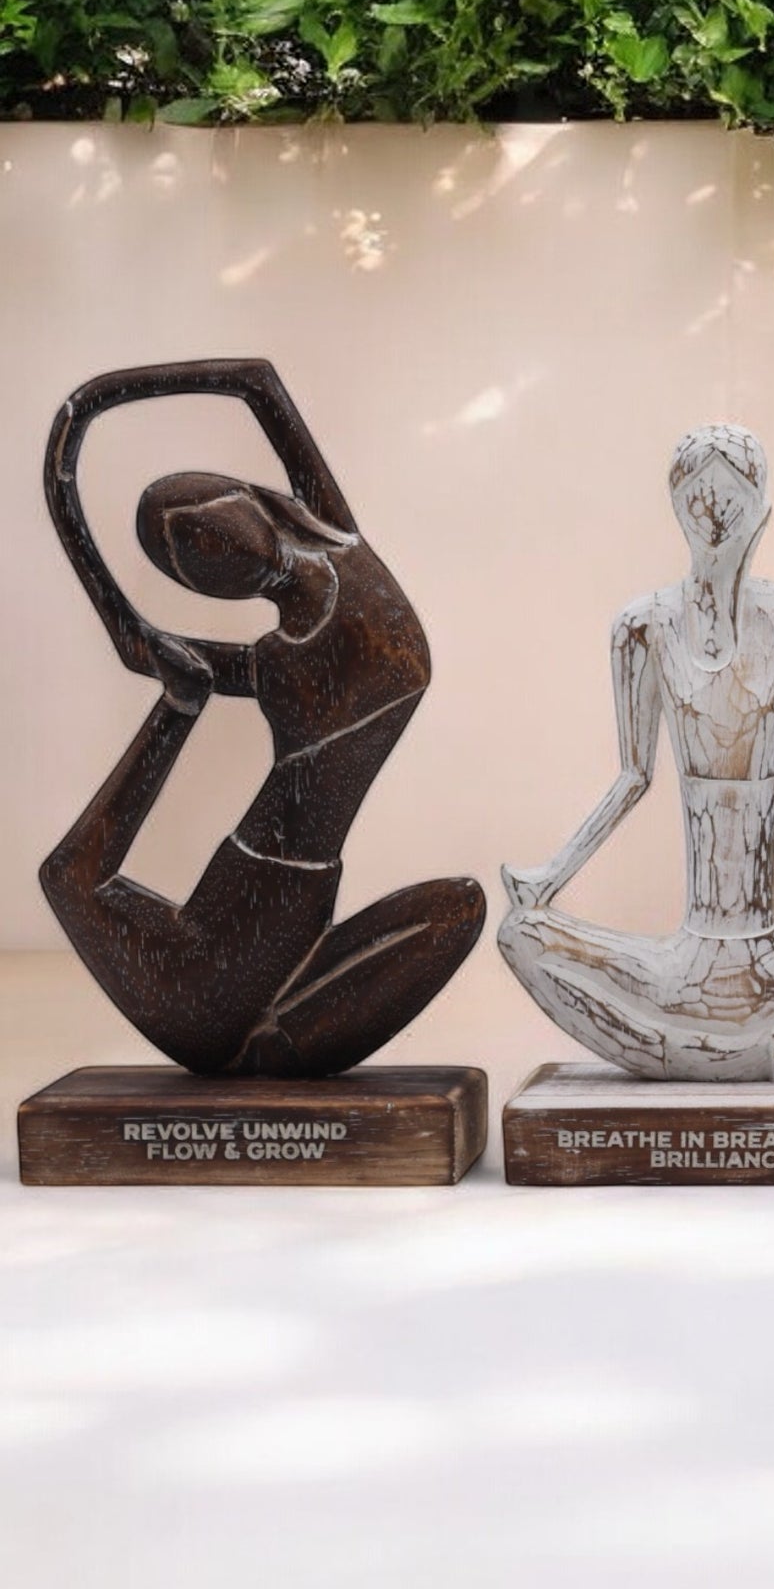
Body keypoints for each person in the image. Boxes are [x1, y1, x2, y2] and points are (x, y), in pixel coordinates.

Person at [41, 359, 484, 1076]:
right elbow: (152, 657)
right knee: (72, 878)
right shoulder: (273, 665)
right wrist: (129, 628)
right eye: (187, 559)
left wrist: (87, 409)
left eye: (205, 526)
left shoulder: (336, 535)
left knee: (459, 908)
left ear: (244, 498)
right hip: (255, 904)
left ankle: (268, 1038)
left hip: (283, 905)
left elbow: (257, 381)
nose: (209, 553)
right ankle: (259, 1042)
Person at [499, 423, 774, 1081]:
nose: (714, 515)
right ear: (676, 508)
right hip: (683, 964)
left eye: (731, 496)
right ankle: (730, 1050)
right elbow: (631, 778)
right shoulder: (644, 627)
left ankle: (725, 1047)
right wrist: (546, 881)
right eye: (698, 497)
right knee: (520, 935)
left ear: (763, 511)